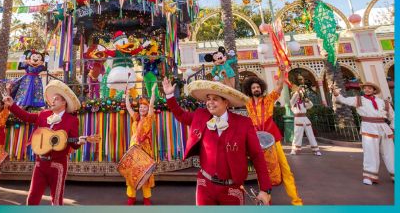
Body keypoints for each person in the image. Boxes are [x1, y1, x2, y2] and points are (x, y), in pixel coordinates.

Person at [162, 77, 272, 205]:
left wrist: (265, 189)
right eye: (208, 99)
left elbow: (257, 156)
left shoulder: (244, 123)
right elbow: (181, 115)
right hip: (205, 185)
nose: (210, 102)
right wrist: (170, 95)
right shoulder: (200, 115)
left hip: (232, 189)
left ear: (226, 102)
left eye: (215, 99)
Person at [4, 80, 98, 205]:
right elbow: (26, 116)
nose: (52, 101)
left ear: (64, 102)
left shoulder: (71, 120)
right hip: (40, 163)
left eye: (56, 99)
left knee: (57, 200)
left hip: (57, 165)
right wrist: (12, 105)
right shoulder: (43, 114)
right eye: (52, 99)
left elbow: (73, 144)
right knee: (32, 198)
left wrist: (80, 141)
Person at [242, 76, 303, 205]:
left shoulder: (268, 99)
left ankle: (296, 202)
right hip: (257, 141)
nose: (256, 89)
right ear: (250, 90)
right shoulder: (247, 102)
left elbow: (279, 87)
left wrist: (281, 71)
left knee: (286, 169)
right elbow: (230, 92)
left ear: (261, 88)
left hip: (273, 139)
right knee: (261, 172)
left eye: (258, 87)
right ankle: (266, 203)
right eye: (253, 87)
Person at [333, 82, 394, 185]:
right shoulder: (358, 99)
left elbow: (392, 115)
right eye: (365, 88)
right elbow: (344, 100)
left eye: (370, 88)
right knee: (370, 152)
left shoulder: (383, 102)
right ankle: (369, 176)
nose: (367, 90)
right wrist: (336, 94)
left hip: (383, 128)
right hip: (368, 127)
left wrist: (393, 127)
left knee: (390, 152)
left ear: (374, 90)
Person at [123, 90, 157, 205]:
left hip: (145, 150)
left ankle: (146, 198)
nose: (142, 109)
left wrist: (152, 93)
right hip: (134, 149)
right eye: (141, 107)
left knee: (145, 175)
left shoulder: (149, 118)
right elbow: (128, 107)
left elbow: (152, 104)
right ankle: (131, 197)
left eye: (145, 107)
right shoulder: (136, 117)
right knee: (133, 173)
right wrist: (127, 96)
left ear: (148, 110)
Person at [289, 85, 321, 155]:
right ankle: (294, 150)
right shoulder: (292, 103)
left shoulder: (303, 103)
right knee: (297, 135)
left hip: (305, 120)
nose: (298, 96)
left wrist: (308, 100)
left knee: (311, 135)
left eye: (299, 95)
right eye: (297, 95)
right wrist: (297, 91)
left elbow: (311, 105)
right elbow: (293, 99)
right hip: (298, 120)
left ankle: (316, 150)